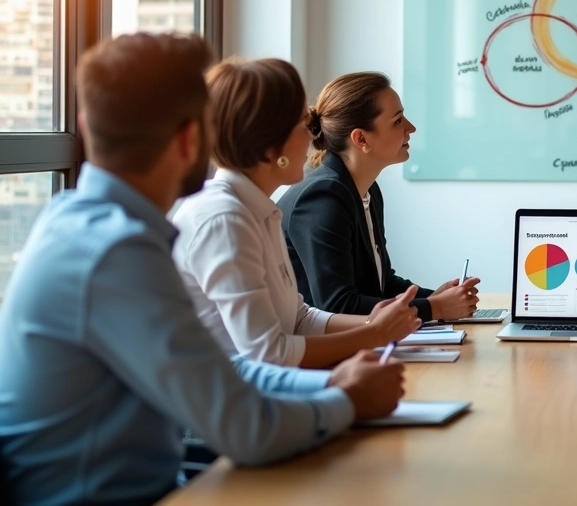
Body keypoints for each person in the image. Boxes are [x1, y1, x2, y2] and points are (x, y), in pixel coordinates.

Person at [0, 34, 406, 505]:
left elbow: (224, 369)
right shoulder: (118, 252)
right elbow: (245, 428)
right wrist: (347, 401)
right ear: (193, 138)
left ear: (89, 127)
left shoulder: (79, 222)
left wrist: (330, 383)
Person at [173, 58, 422, 368]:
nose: (311, 137)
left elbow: (299, 318)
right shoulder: (223, 220)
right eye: (301, 126)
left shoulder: (257, 210)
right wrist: (374, 334)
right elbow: (269, 354)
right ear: (267, 144)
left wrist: (379, 323)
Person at [278, 71, 480, 320]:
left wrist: (434, 298)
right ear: (361, 138)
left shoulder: (367, 189)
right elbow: (337, 305)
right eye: (397, 121)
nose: (411, 128)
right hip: (316, 354)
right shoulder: (322, 197)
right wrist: (435, 308)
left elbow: (380, 284)